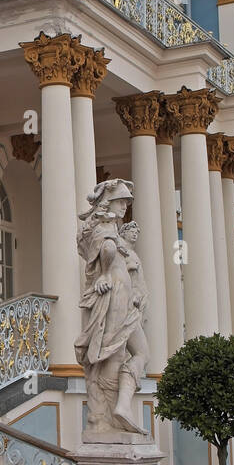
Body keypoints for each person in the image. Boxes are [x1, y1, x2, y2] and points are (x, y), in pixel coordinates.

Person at [75, 180, 147, 436]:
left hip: (125, 298)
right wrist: (104, 274)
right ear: (109, 203)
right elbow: (104, 249)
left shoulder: (114, 231)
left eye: (127, 202)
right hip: (115, 296)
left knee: (139, 352)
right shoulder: (105, 230)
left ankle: (122, 407)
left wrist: (137, 294)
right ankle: (106, 416)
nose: (125, 206)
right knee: (114, 353)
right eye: (121, 201)